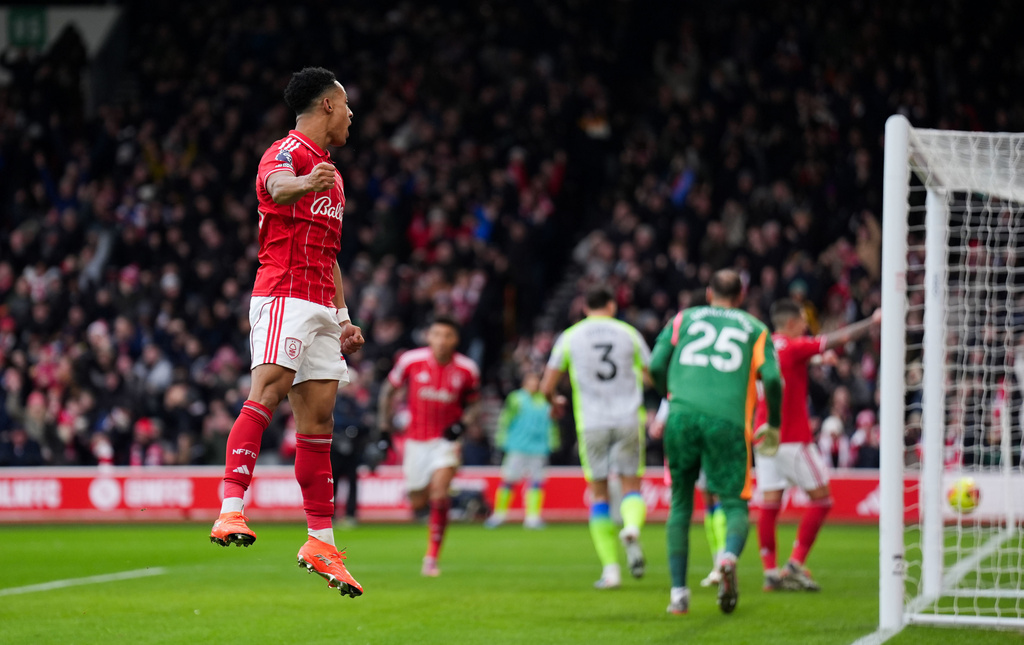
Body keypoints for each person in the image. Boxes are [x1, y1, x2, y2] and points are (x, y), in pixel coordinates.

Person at [208, 67, 364, 599]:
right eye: (346, 106)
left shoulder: (334, 177)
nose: (351, 116)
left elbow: (331, 253)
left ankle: (321, 542)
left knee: (319, 421)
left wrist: (343, 318)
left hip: (321, 304)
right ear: (327, 105)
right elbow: (276, 187)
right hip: (283, 294)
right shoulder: (286, 152)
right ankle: (231, 507)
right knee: (268, 391)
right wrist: (304, 183)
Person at [649, 269, 783, 615]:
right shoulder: (755, 328)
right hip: (729, 421)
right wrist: (774, 423)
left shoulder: (683, 319)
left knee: (681, 503)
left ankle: (678, 595)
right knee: (735, 504)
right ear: (741, 297)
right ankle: (727, 557)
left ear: (709, 293)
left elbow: (655, 363)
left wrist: (670, 394)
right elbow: (772, 379)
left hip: (681, 416)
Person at [754, 298, 881, 591]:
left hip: (764, 435)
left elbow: (785, 363)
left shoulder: (764, 346)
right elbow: (840, 338)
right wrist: (872, 322)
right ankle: (795, 564)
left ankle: (770, 572)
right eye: (802, 320)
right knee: (822, 499)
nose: (805, 325)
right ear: (790, 323)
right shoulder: (795, 345)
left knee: (770, 505)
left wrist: (816, 360)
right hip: (791, 438)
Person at [540, 286, 652, 590]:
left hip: (592, 423)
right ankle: (631, 527)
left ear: (584, 308)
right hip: (628, 419)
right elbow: (651, 374)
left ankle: (611, 571)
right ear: (612, 306)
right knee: (631, 486)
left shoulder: (570, 336)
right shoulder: (628, 333)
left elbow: (547, 386)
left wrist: (554, 402)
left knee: (599, 495)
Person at [377, 316, 481, 577]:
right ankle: (450, 498)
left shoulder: (467, 369)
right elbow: (388, 391)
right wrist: (384, 428)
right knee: (417, 500)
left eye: (447, 335)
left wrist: (462, 424)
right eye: (437, 334)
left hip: (446, 441)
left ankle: (431, 557)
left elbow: (475, 403)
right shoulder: (410, 361)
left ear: (455, 340)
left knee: (439, 492)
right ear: (428, 337)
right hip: (416, 441)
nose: (441, 340)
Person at [484, 370, 561, 529]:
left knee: (537, 482)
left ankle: (533, 517)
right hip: (517, 446)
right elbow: (506, 418)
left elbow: (551, 422)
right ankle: (499, 514)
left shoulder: (545, 399)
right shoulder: (516, 398)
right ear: (524, 383)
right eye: (531, 381)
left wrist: (553, 441)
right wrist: (502, 439)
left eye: (536, 381)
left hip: (539, 448)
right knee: (509, 480)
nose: (534, 384)